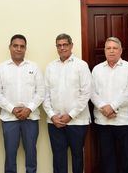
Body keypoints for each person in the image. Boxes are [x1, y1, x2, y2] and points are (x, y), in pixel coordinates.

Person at [0, 34, 45, 173]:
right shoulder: (1, 68)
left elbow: (41, 92)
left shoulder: (34, 67)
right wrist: (12, 109)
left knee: (31, 155)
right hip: (9, 119)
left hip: (31, 118)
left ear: (25, 49)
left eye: (22, 46)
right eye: (15, 46)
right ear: (10, 47)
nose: (18, 49)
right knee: (10, 155)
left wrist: (29, 109)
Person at [43, 33, 92, 173]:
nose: (62, 48)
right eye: (59, 45)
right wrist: (52, 116)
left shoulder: (81, 65)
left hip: (77, 122)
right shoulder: (50, 67)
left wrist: (70, 115)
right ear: (56, 47)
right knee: (58, 158)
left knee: (77, 157)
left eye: (65, 44)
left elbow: (86, 93)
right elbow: (45, 95)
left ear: (71, 46)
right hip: (55, 122)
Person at [91, 37, 128, 173]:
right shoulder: (97, 69)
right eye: (108, 48)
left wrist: (112, 107)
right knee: (107, 159)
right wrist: (103, 108)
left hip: (124, 120)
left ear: (120, 50)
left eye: (115, 48)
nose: (111, 51)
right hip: (103, 121)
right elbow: (91, 92)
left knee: (127, 158)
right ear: (104, 51)